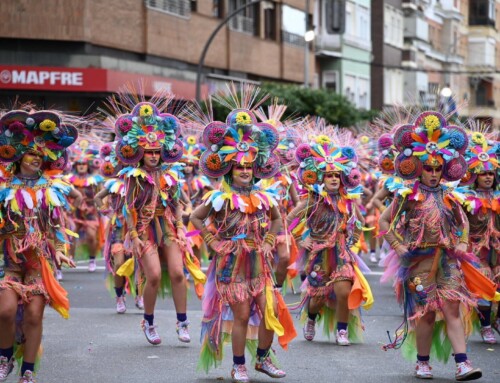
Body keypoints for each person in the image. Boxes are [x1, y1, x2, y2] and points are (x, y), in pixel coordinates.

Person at [378, 111, 497, 381]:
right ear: (419, 167)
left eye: (437, 168)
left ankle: (463, 363)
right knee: (427, 313)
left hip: (448, 259)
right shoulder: (407, 195)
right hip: (418, 260)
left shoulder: (449, 194)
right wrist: (397, 245)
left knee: (452, 307)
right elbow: (384, 222)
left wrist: (464, 241)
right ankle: (422, 362)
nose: (433, 173)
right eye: (428, 168)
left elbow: (462, 220)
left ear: (444, 169)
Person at [190, 102, 295, 383]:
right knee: (242, 313)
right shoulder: (220, 198)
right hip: (231, 265)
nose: (245, 171)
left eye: (249, 166)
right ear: (229, 170)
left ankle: (262, 358)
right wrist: (213, 240)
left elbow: (276, 219)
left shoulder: (264, 197)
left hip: (259, 264)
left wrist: (270, 239)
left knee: (270, 310)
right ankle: (238, 366)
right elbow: (195, 217)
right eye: (239, 167)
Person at [0, 109, 79, 383]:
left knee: (34, 315)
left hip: (38, 261)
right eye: (31, 153)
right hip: (8, 262)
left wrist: (60, 250)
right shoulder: (4, 186)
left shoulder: (51, 188)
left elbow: (57, 224)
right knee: (5, 310)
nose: (36, 157)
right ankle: (5, 356)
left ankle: (28, 371)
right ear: (18, 155)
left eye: (40, 154)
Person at [113, 99, 196, 345]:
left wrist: (181, 227)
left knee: (179, 274)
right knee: (155, 276)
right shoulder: (132, 177)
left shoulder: (170, 174)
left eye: (156, 151)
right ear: (139, 152)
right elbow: (129, 208)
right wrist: (135, 237)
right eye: (147, 151)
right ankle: (148, 321)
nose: (152, 155)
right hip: (143, 230)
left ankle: (182, 322)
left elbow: (176, 203)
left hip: (168, 226)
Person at [286, 129, 373, 346]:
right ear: (321, 178)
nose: (333, 178)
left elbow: (360, 221)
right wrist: (299, 239)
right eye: (328, 175)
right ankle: (312, 318)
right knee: (317, 298)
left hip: (342, 253)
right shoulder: (312, 200)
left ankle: (341, 331)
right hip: (318, 254)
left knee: (343, 290)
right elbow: (288, 220)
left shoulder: (349, 200)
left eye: (336, 175)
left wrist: (353, 238)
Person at [459, 129, 499, 344]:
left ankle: (496, 319)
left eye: (491, 173)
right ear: (475, 176)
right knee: (484, 285)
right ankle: (485, 326)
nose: (487, 177)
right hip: (476, 250)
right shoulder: (466, 197)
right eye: (483, 173)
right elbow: (459, 222)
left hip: (498, 249)